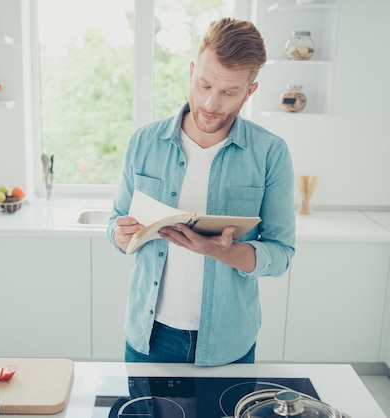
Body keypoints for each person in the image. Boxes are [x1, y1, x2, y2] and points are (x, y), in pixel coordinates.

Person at [107, 17, 295, 366]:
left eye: (228, 92)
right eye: (204, 84)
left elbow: (281, 253)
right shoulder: (144, 142)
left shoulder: (270, 153)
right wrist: (121, 234)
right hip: (149, 335)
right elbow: (115, 223)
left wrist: (224, 252)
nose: (210, 103)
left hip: (228, 340)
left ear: (250, 91)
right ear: (192, 71)